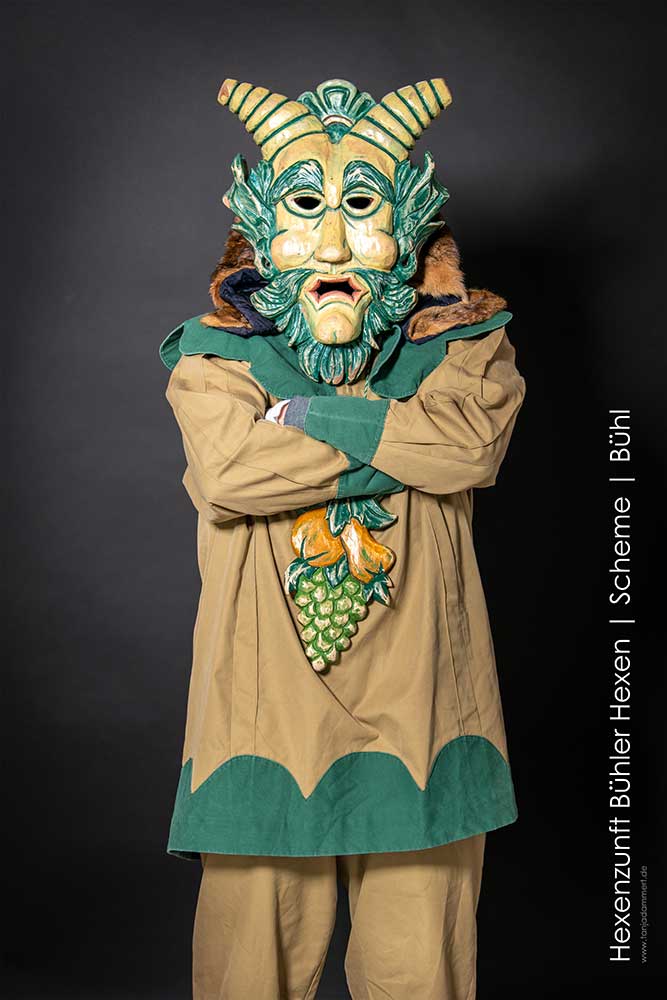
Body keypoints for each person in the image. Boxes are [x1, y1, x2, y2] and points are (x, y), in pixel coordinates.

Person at [161, 76, 526, 1000]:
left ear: (409, 225)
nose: (330, 244)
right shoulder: (212, 356)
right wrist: (400, 440)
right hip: (260, 716)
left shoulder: (465, 341)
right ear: (259, 228)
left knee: (419, 977)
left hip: (426, 709)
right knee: (249, 977)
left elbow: (467, 448)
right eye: (305, 209)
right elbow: (231, 473)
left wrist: (306, 417)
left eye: (359, 207)